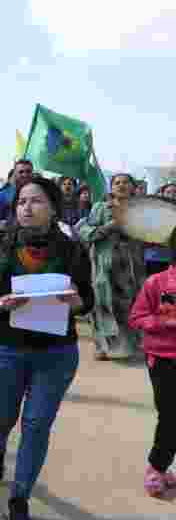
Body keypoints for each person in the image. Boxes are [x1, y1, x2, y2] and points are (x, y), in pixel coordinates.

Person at [0, 176, 92, 520]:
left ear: (53, 207)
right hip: (5, 348)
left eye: (36, 200)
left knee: (37, 425)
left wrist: (77, 302)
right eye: (22, 201)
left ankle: (20, 498)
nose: (27, 207)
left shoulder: (73, 251)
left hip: (54, 353)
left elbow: (87, 299)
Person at [128, 226, 176, 497]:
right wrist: (165, 322)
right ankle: (156, 468)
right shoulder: (156, 283)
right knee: (170, 416)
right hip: (163, 359)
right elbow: (136, 318)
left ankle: (163, 465)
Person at [77, 173, 146, 361]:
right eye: (117, 182)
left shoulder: (140, 209)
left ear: (133, 187)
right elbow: (86, 232)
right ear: (111, 186)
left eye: (126, 182)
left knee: (129, 305)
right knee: (103, 304)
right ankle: (102, 345)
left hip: (131, 267)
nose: (121, 185)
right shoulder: (100, 207)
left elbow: (149, 236)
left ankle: (129, 345)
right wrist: (110, 226)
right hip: (104, 265)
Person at [0, 159, 34, 232]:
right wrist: (1, 224)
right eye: (21, 172)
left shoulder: (40, 193)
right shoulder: (3, 194)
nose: (25, 174)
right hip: (12, 237)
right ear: (15, 174)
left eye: (28, 171)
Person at [144, 183, 176, 277]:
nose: (172, 195)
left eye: (175, 192)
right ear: (162, 194)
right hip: (155, 258)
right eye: (169, 192)